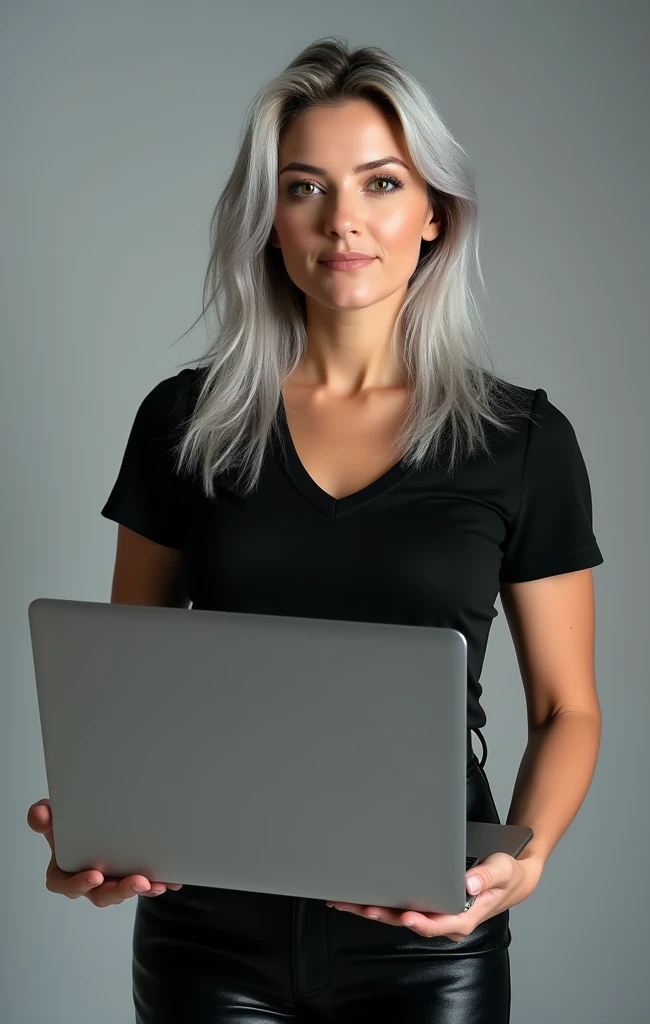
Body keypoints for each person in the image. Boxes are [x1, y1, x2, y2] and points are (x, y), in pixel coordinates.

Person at [27, 36, 604, 1024]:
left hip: (427, 940)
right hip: (207, 938)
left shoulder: (524, 442)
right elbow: (129, 697)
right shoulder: (182, 422)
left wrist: (528, 857)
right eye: (304, 187)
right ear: (269, 222)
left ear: (433, 214)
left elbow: (566, 712)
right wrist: (99, 837)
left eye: (380, 183)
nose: (343, 220)